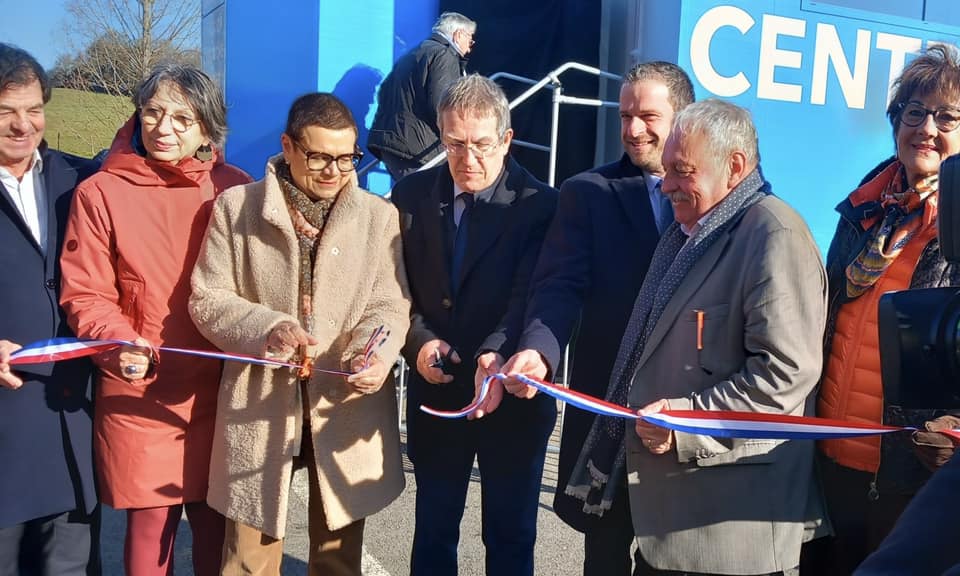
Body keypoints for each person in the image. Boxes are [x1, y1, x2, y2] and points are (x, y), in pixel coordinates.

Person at [571, 99, 827, 575]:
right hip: (674, 520)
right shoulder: (689, 233)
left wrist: (688, 419)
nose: (666, 184)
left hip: (726, 533)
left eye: (681, 171)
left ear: (735, 167)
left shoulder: (774, 235)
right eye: (666, 169)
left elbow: (786, 373)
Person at [188, 92, 410, 576]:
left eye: (348, 157)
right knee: (248, 559)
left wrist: (374, 351)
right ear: (287, 146)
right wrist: (267, 327)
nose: (335, 170)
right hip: (260, 405)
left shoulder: (378, 216)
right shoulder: (236, 208)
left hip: (343, 402)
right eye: (319, 156)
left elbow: (389, 303)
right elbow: (208, 298)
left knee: (338, 560)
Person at [497, 61, 694, 576]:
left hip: (683, 414)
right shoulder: (588, 192)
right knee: (604, 556)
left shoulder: (722, 201)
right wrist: (538, 350)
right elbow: (559, 285)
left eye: (648, 116)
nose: (632, 129)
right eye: (625, 115)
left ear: (684, 117)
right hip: (607, 410)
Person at [58, 64, 252, 576]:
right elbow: (87, 292)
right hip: (140, 381)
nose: (163, 129)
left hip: (222, 388)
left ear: (208, 129)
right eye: (153, 112)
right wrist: (119, 342)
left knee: (216, 529)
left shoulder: (235, 190)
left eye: (182, 119)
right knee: (150, 532)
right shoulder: (99, 193)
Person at [393, 73, 557, 576]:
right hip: (437, 395)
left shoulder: (540, 205)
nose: (468, 160)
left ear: (506, 139)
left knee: (509, 539)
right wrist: (419, 343)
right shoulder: (412, 195)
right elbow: (397, 292)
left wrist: (496, 352)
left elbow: (529, 296)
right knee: (434, 533)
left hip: (512, 399)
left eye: (482, 145)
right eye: (454, 144)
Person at [805, 43, 960, 574]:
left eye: (947, 117)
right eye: (914, 112)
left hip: (912, 474)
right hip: (828, 461)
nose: (927, 128)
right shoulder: (864, 210)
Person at [0, 43, 100, 576]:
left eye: (34, 108)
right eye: (5, 111)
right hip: (6, 426)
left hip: (69, 425)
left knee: (71, 566)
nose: (23, 125)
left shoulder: (78, 181)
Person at [368, 11, 475, 181]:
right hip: (418, 149)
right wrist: (461, 136)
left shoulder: (414, 53)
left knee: (408, 202)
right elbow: (442, 104)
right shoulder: (444, 55)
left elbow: (384, 93)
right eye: (470, 39)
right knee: (425, 204)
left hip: (394, 144)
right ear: (458, 34)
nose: (469, 47)